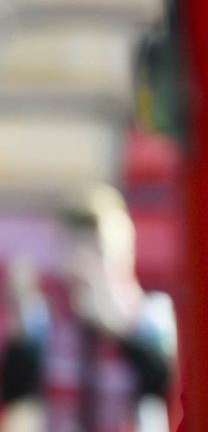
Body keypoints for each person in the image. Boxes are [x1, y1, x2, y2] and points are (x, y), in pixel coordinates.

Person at [0, 184, 175, 431]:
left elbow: (164, 386)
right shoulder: (47, 321)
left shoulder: (151, 313)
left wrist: (114, 328)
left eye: (98, 249)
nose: (87, 263)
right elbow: (16, 392)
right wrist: (19, 329)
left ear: (124, 250)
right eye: (76, 248)